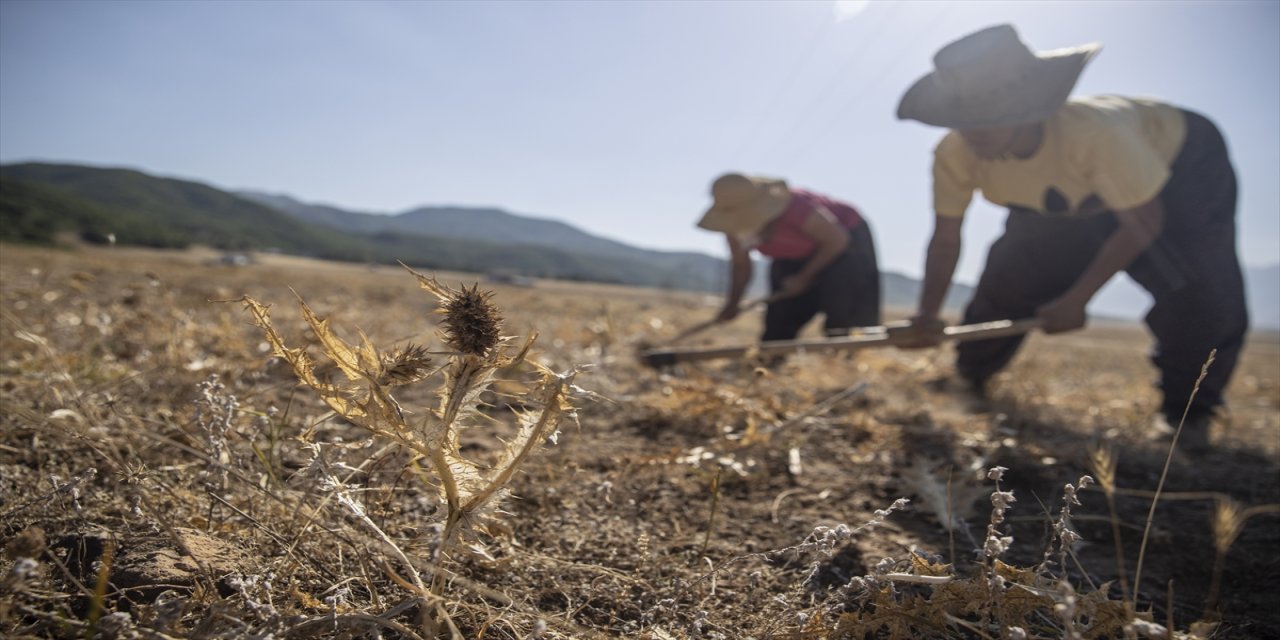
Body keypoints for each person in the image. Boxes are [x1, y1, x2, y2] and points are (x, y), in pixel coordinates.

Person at [895, 24, 1249, 452]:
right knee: (1011, 273)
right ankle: (968, 376)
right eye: (963, 122)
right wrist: (928, 315)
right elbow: (946, 238)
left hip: (1178, 174)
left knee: (1199, 290)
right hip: (1065, 196)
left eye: (986, 122)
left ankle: (1187, 416)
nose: (972, 134)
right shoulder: (955, 154)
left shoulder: (1095, 135)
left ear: (1026, 110)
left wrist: (1077, 298)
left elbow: (1144, 219)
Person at [696, 173, 881, 342]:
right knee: (781, 314)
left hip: (844, 245)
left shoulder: (796, 207)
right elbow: (741, 265)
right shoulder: (733, 227)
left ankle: (845, 357)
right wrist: (732, 304)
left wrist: (804, 277)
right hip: (793, 255)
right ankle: (769, 358)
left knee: (844, 311)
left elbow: (837, 240)